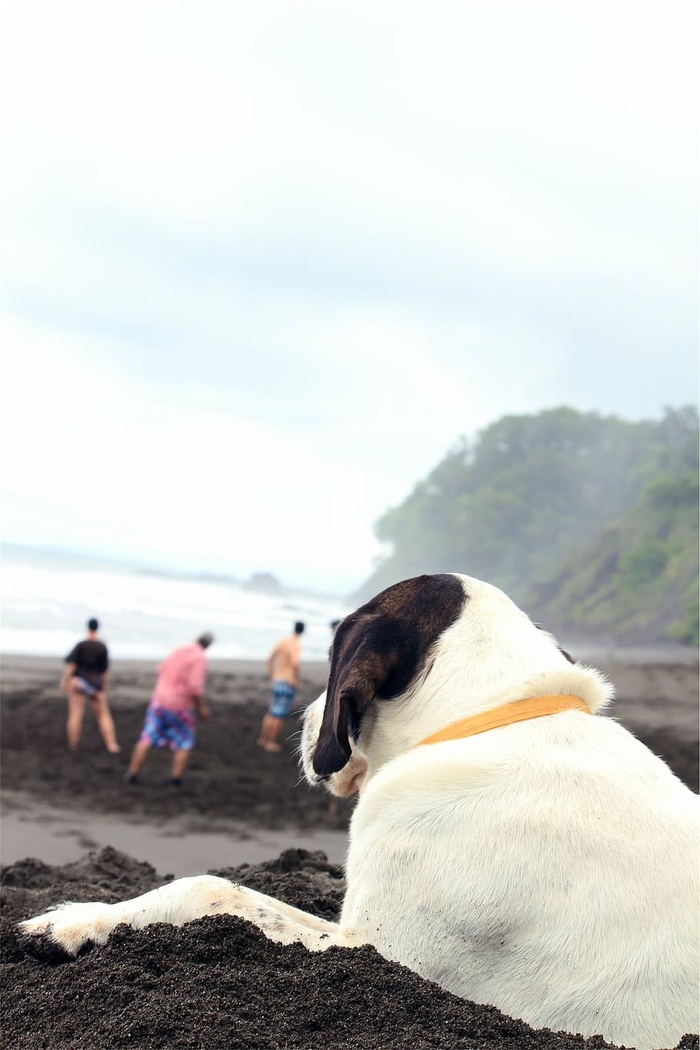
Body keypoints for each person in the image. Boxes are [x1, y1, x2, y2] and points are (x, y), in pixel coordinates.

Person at [124, 632, 214, 787]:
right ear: (208, 646)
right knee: (185, 741)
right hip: (179, 705)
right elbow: (195, 688)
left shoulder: (178, 649)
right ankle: (176, 779)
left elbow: (160, 670)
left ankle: (132, 773)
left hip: (159, 700)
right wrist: (201, 709)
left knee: (147, 737)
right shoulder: (199, 657)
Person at [61, 618, 120, 753]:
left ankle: (73, 744)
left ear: (88, 627)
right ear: (97, 628)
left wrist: (65, 682)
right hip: (95, 683)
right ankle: (111, 745)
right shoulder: (102, 646)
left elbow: (72, 666)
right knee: (104, 715)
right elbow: (105, 670)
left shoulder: (81, 645)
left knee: (75, 713)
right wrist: (103, 687)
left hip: (79, 682)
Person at [257, 621, 304, 752]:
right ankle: (270, 742)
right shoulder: (295, 644)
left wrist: (272, 674)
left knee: (272, 710)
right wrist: (295, 679)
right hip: (287, 682)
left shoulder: (282, 641)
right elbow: (294, 663)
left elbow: (269, 658)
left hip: (277, 680)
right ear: (302, 632)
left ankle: (262, 739)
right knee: (279, 714)